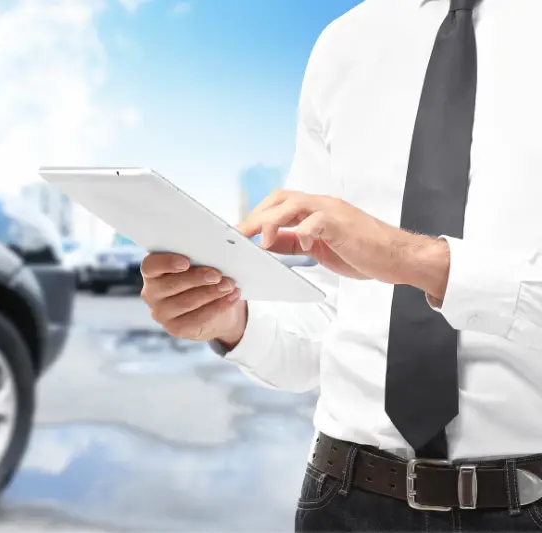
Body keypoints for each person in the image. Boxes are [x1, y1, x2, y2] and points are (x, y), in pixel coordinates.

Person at [139, 0, 542, 531]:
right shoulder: (345, 43)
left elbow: (386, 255)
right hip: (344, 499)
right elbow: (334, 313)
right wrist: (232, 321)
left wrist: (412, 259)